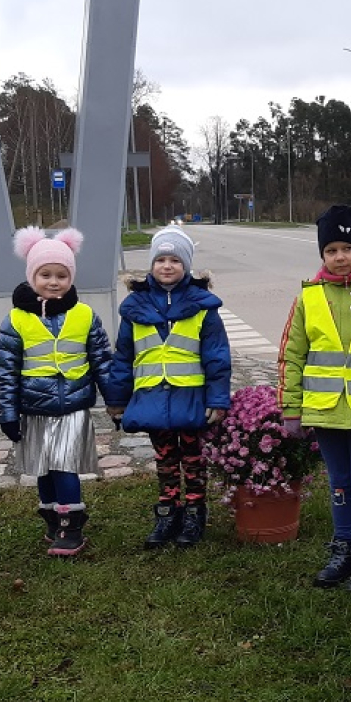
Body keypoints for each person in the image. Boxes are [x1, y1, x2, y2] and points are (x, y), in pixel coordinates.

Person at [278, 205, 351, 591]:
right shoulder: (309, 297)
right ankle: (343, 546)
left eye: (346, 248)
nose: (339, 257)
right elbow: (292, 354)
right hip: (324, 410)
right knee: (339, 482)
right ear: (322, 255)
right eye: (331, 250)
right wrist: (291, 408)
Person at [103, 226, 231, 549]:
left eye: (175, 259)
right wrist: (117, 400)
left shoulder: (202, 307)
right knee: (165, 458)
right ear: (151, 264)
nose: (167, 266)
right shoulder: (136, 308)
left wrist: (217, 399)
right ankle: (168, 512)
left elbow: (217, 357)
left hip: (190, 399)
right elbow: (123, 358)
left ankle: (194, 512)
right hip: (151, 398)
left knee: (193, 457)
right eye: (161, 259)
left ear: (186, 265)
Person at [0, 226, 113, 556]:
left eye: (61, 274)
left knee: (64, 465)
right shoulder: (15, 320)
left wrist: (115, 400)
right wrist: (6, 412)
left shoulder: (85, 315)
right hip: (33, 407)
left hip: (73, 406)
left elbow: (102, 360)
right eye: (45, 274)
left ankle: (71, 525)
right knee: (42, 467)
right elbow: (6, 370)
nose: (53, 281)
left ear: (71, 277)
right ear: (32, 276)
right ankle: (51, 516)